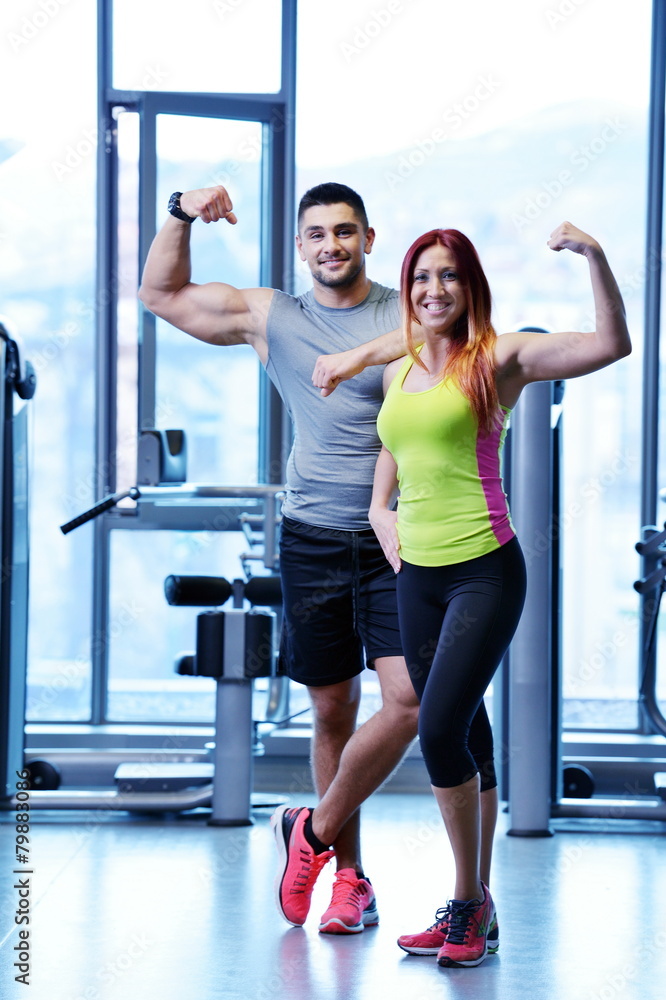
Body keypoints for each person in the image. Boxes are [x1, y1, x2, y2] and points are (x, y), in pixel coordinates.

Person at [313, 221, 631, 966]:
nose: (432, 289)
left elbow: (610, 344)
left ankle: (467, 904)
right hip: (415, 578)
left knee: (438, 732)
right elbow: (396, 439)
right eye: (420, 276)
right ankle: (473, 913)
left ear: (470, 287)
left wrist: (595, 255)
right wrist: (376, 507)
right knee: (471, 739)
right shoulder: (400, 368)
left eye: (448, 276)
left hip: (483, 570)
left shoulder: (501, 358)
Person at [138, 182, 421, 935]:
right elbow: (160, 295)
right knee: (331, 708)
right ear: (300, 245)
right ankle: (350, 880)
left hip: (399, 536)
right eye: (317, 234)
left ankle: (312, 832)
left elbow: (463, 342)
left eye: (345, 231)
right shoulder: (276, 317)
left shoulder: (405, 310)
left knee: (409, 701)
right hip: (314, 538)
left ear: (369, 237)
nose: (331, 244)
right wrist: (180, 212)